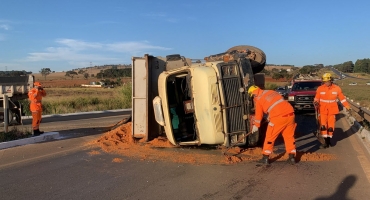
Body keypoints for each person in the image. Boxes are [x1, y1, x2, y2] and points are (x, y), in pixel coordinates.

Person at [248, 85, 297, 165]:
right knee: (289, 137)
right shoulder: (271, 92)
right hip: (290, 115)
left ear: (253, 94)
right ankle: (292, 157)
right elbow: (276, 103)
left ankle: (265, 158)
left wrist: (256, 125)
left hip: (278, 118)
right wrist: (270, 115)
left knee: (270, 137)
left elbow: (258, 114)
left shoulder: (259, 99)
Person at [314, 73, 350, 149]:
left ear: (331, 80)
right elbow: (316, 98)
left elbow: (342, 98)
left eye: (327, 81)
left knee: (330, 127)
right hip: (322, 110)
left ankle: (328, 140)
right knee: (323, 126)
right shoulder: (320, 88)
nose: (326, 83)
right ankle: (325, 142)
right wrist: (315, 102)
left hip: (332, 110)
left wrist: (346, 105)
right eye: (325, 81)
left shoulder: (337, 88)